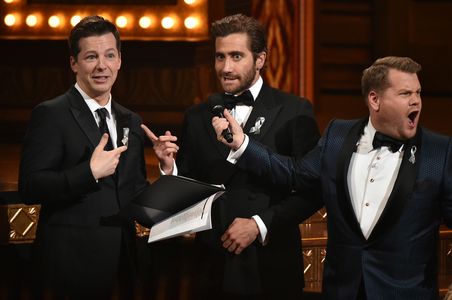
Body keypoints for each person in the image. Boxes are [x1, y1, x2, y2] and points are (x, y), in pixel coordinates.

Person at [212, 56, 452, 300]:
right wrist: (242, 144)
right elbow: (295, 174)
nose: (416, 101)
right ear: (374, 99)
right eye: (405, 93)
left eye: (418, 93)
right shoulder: (338, 135)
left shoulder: (439, 152)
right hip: (342, 291)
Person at [142, 13, 320, 299]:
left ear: (260, 59)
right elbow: (189, 188)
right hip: (210, 267)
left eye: (237, 56)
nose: (225, 67)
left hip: (270, 264)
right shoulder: (197, 115)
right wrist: (169, 167)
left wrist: (259, 225)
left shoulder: (294, 111)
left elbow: (313, 189)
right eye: (220, 57)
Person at [19, 15, 150, 299]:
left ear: (119, 61)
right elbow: (30, 186)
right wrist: (88, 174)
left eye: (109, 55)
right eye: (91, 57)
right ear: (74, 63)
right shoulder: (50, 114)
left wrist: (167, 169)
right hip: (70, 263)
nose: (101, 65)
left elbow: (134, 194)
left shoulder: (131, 120)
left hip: (124, 262)